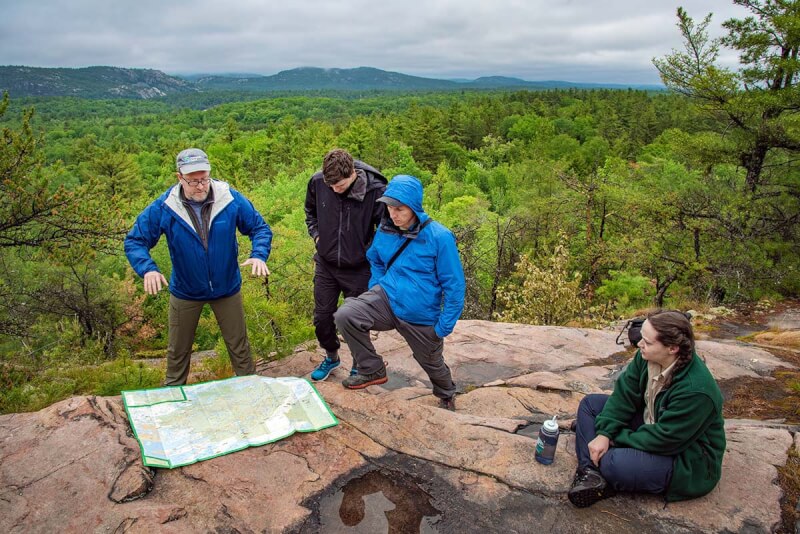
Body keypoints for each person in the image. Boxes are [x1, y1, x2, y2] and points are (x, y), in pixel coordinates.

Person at [124, 148, 273, 386]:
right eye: (193, 181)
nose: (201, 186)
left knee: (239, 347)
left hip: (227, 287)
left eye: (204, 179)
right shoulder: (166, 207)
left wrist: (259, 254)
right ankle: (173, 395)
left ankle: (249, 389)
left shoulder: (229, 199)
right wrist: (148, 268)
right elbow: (135, 240)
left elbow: (259, 228)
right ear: (179, 177)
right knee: (178, 351)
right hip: (186, 290)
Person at [568, 310, 726, 508]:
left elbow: (665, 440)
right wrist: (604, 432)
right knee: (590, 405)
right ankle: (591, 474)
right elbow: (624, 395)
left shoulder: (696, 391)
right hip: (650, 422)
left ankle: (599, 466)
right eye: (642, 338)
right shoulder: (646, 357)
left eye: (648, 342)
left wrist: (613, 435)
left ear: (673, 348)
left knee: (613, 463)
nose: (639, 344)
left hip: (685, 458)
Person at [334, 175, 465, 410]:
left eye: (399, 209)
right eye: (389, 208)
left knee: (431, 362)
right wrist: (379, 285)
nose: (393, 214)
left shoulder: (439, 237)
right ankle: (372, 369)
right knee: (346, 315)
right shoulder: (386, 230)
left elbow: (454, 285)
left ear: (414, 206)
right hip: (387, 300)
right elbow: (374, 257)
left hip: (420, 314)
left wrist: (443, 326)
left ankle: (446, 392)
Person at [304, 149, 387, 381]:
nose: (333, 190)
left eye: (339, 186)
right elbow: (310, 212)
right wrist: (318, 237)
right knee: (322, 317)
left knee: (355, 319)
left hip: (359, 267)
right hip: (327, 264)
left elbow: (385, 229)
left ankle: (359, 363)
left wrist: (369, 252)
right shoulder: (318, 182)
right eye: (330, 185)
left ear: (352, 174)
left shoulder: (376, 190)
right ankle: (331, 357)